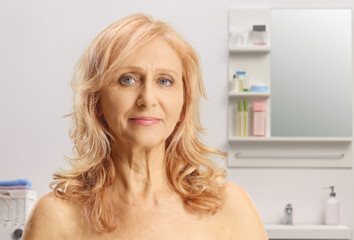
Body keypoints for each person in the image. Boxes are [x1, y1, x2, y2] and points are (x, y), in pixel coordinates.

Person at [22, 14, 268, 239]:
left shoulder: (230, 207)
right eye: (127, 79)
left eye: (165, 80)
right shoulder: (55, 217)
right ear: (96, 100)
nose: (147, 99)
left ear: (183, 103)